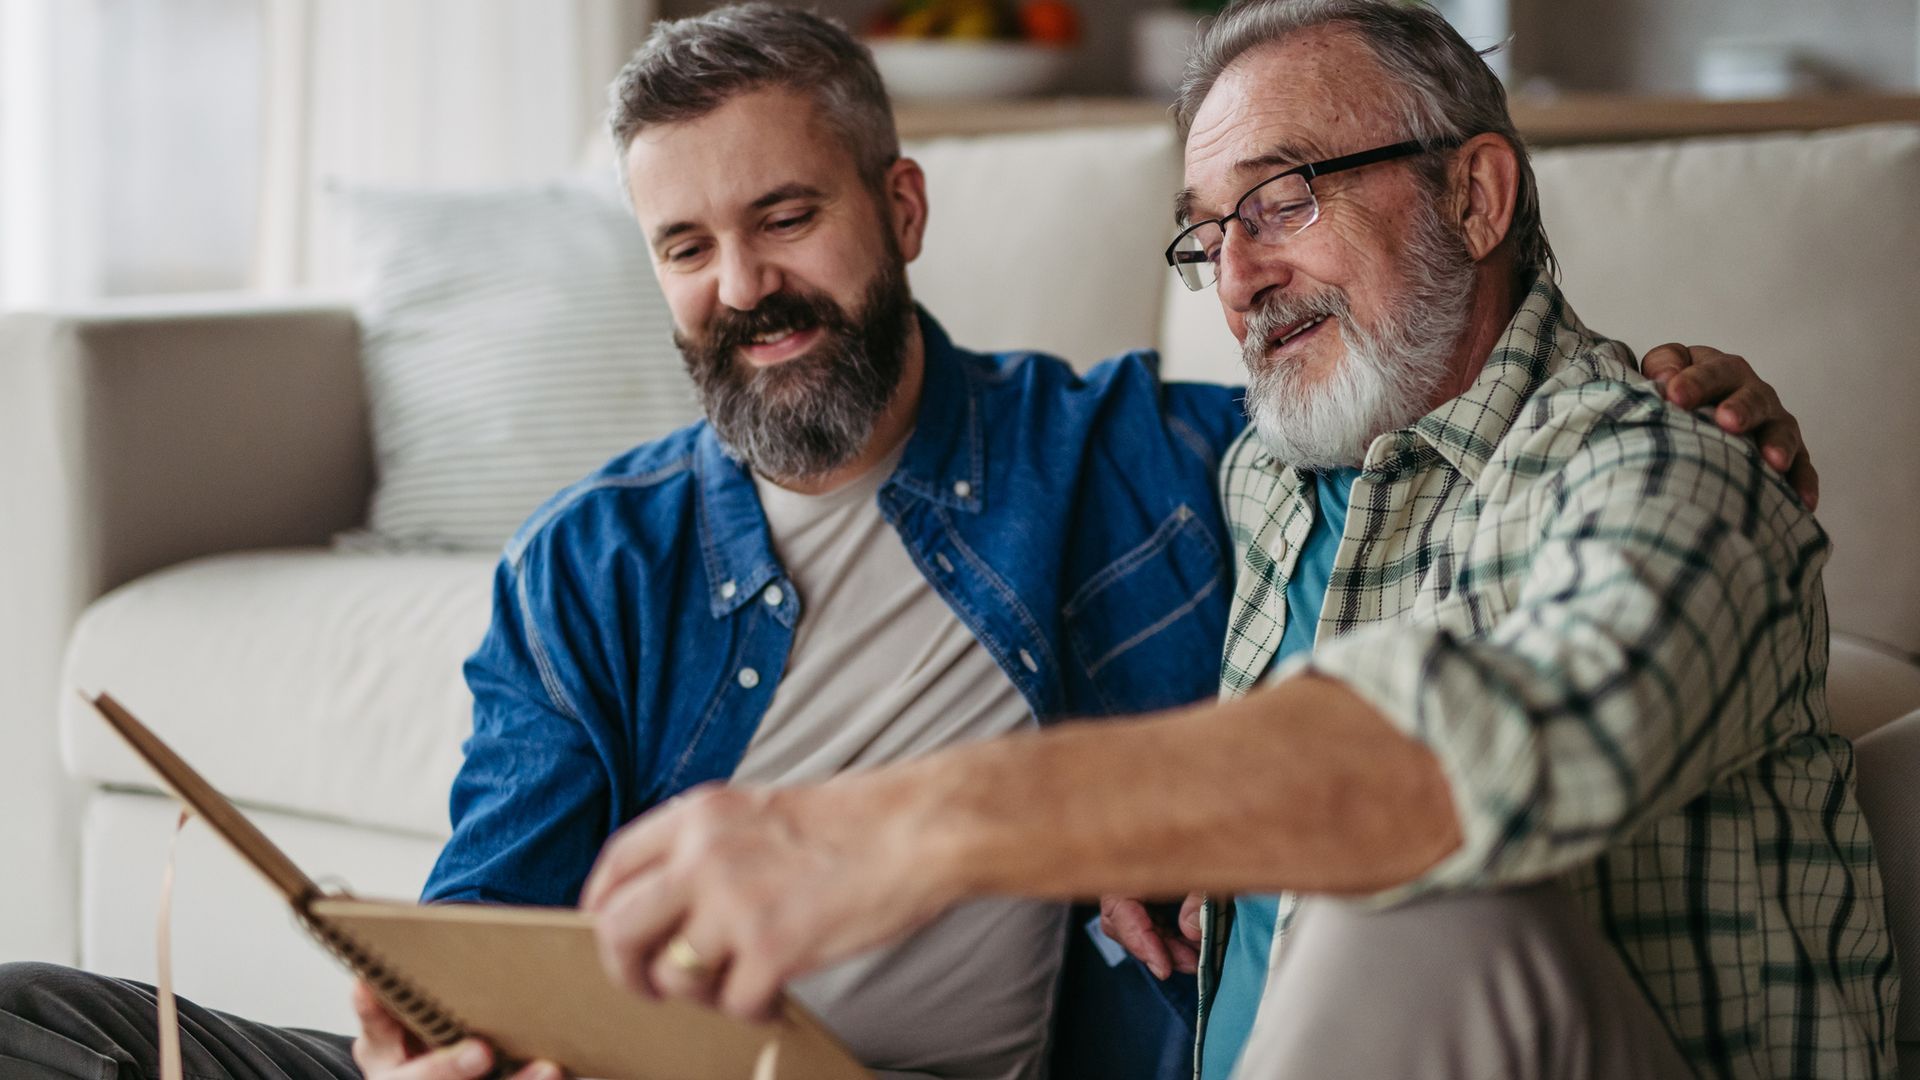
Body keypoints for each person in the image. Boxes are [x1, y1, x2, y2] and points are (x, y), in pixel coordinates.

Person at [0, 5, 1821, 1080]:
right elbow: (482, 928)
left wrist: (1685, 401)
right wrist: (435, 1030)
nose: (743, 287)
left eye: (785, 218)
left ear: (902, 207)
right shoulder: (592, 560)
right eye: (687, 248)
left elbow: (1481, 573)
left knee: (1407, 902)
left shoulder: (1141, 458)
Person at [571, 3, 1897, 1080]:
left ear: (1476, 195)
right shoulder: (1262, 475)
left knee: (1414, 893)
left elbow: (1520, 742)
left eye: (1283, 199)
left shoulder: (1677, 468)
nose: (1240, 279)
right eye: (1209, 233)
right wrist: (1213, 844)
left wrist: (908, 829)